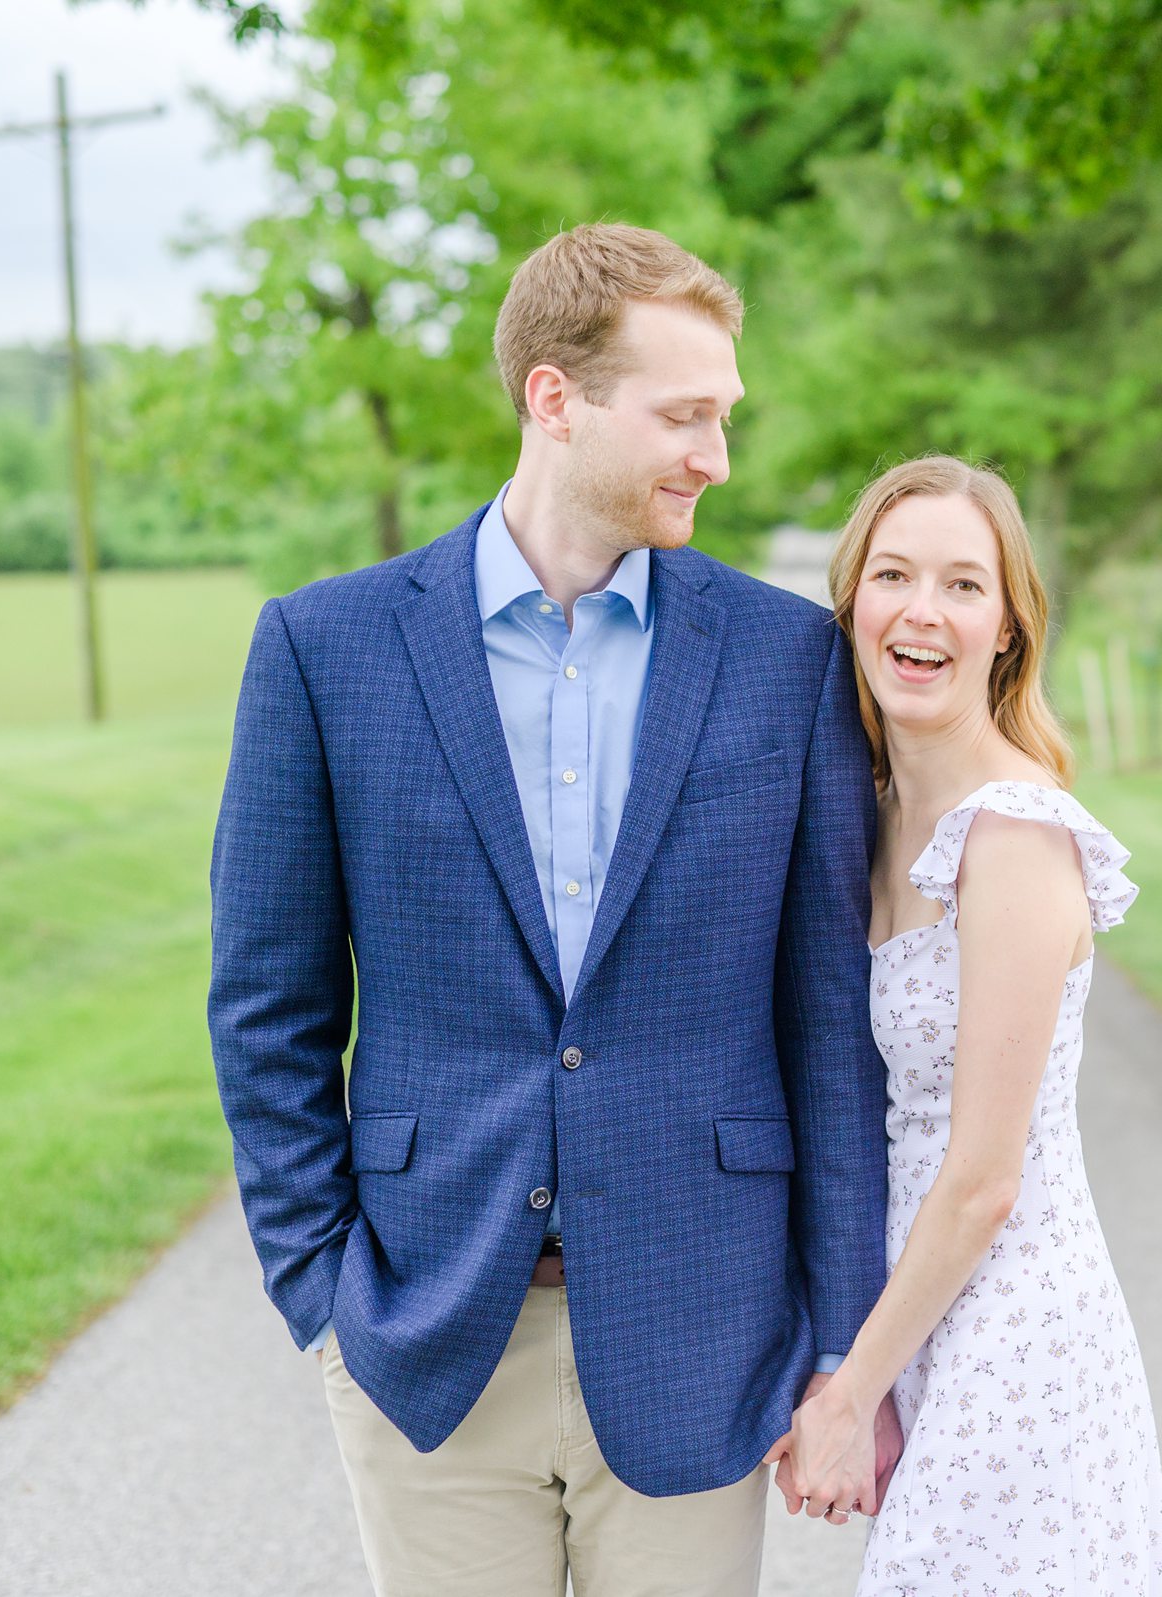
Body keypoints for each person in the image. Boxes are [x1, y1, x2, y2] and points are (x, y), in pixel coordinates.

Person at [207, 221, 898, 1597]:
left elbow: (828, 1024)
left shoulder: (786, 661)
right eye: (686, 415)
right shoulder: (324, 648)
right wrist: (324, 1297)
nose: (716, 455)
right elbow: (268, 1005)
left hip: (704, 1328)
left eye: (725, 416)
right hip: (428, 1332)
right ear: (555, 397)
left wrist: (842, 1339)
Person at [767, 456, 1162, 1593]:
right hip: (923, 1322)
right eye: (894, 575)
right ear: (853, 605)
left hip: (1015, 1339)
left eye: (962, 585)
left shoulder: (1015, 838)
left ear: (1007, 628)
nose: (923, 612)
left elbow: (986, 1177)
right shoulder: (881, 813)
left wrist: (846, 1398)